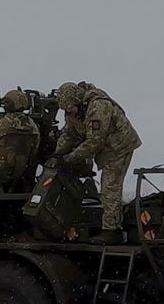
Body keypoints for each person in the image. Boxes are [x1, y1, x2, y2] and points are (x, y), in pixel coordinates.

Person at [54, 81, 141, 245]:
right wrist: (57, 154)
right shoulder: (73, 111)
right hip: (105, 149)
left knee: (109, 187)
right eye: (65, 108)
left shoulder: (99, 106)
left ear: (77, 100)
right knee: (106, 187)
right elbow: (69, 134)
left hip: (119, 146)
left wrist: (70, 158)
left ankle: (111, 231)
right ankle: (110, 221)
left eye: (70, 107)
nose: (68, 111)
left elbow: (95, 141)